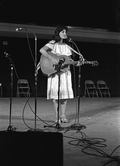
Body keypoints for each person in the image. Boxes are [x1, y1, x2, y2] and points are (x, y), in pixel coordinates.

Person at [38, 25, 81, 123]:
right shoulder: (53, 43)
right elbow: (42, 50)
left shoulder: (68, 46)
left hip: (65, 73)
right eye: (63, 32)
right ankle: (56, 117)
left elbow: (68, 60)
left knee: (64, 96)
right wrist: (52, 58)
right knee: (56, 97)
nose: (65, 33)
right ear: (58, 33)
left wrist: (75, 63)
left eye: (66, 32)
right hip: (54, 73)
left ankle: (63, 116)